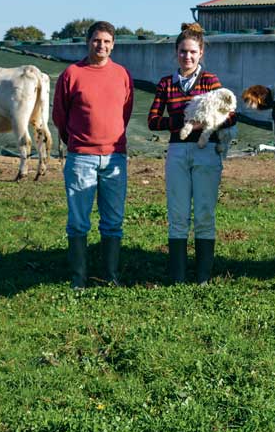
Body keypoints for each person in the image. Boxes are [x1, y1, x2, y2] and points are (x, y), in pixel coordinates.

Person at [147, 23, 236, 284]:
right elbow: (153, 121)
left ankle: (203, 276)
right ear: (176, 52)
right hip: (177, 150)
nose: (187, 56)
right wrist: (180, 124)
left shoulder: (210, 81)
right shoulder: (166, 84)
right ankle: (178, 276)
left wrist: (200, 125)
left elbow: (230, 115)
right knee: (177, 212)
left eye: (192, 52)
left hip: (206, 150)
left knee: (205, 212)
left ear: (201, 54)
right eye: (183, 51)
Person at [52, 21, 134, 289]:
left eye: (107, 41)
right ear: (88, 42)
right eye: (97, 40)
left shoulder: (122, 74)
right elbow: (60, 116)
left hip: (114, 158)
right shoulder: (72, 74)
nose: (102, 46)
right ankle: (78, 278)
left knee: (113, 222)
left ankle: (109, 276)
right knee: (78, 222)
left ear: (113, 45)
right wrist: (77, 142)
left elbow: (125, 111)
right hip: (81, 158)